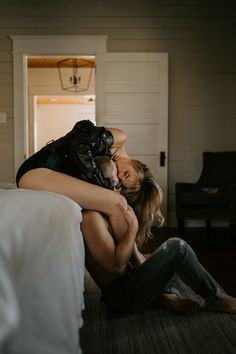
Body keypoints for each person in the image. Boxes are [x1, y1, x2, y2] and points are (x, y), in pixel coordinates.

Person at [16, 119, 163, 247]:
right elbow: (79, 142)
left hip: (49, 175)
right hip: (38, 169)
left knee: (113, 204)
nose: (119, 176)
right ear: (135, 162)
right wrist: (104, 186)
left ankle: (124, 258)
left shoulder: (111, 175)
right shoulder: (119, 138)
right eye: (126, 173)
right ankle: (134, 257)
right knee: (116, 202)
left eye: (122, 184)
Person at [81, 203, 236, 315]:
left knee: (165, 259)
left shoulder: (102, 214)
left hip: (128, 284)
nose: (116, 182)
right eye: (113, 176)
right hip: (122, 296)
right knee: (177, 247)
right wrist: (132, 228)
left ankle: (168, 296)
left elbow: (131, 260)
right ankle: (215, 299)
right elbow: (117, 267)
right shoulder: (91, 218)